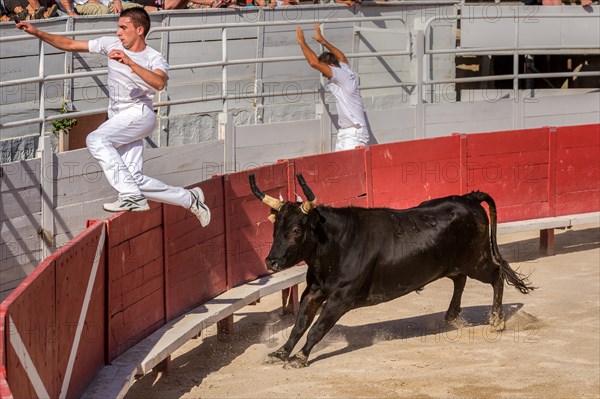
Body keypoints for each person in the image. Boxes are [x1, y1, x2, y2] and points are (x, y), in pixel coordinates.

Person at [15, 8, 211, 227]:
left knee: (96, 139)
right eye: (118, 27)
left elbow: (159, 83)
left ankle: (131, 196)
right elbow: (70, 44)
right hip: (120, 119)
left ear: (139, 30)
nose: (118, 32)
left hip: (139, 114)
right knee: (133, 179)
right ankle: (189, 198)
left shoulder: (153, 57)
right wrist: (37, 32)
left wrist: (130, 63)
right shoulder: (110, 43)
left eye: (123, 28)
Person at [296, 24, 369, 151]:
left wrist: (302, 43)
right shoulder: (343, 68)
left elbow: (314, 62)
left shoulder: (340, 74)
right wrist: (323, 41)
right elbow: (342, 57)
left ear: (331, 66)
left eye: (324, 70)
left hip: (354, 133)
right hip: (347, 132)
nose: (324, 75)